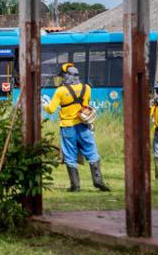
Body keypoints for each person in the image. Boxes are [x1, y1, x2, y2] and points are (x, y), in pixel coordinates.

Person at [42, 63, 110, 192]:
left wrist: (44, 104)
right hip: (83, 125)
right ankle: (98, 180)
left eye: (63, 76)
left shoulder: (60, 91)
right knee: (91, 150)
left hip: (68, 127)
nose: (62, 78)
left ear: (68, 76)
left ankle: (75, 186)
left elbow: (50, 110)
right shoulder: (87, 88)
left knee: (69, 154)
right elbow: (86, 105)